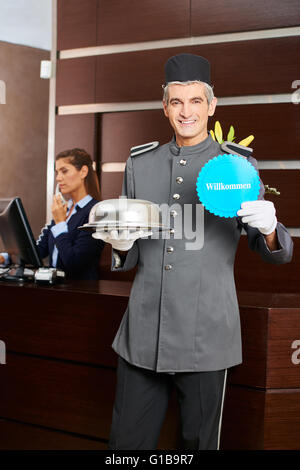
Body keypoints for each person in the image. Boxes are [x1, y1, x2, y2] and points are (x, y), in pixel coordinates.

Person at [96, 54, 293, 450]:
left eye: (196, 101)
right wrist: (119, 247)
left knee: (199, 445)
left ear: (212, 106)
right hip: (143, 332)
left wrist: (271, 229)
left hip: (208, 336)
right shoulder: (140, 164)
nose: (186, 111)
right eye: (177, 102)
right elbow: (128, 254)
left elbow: (275, 253)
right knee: (125, 447)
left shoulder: (236, 166)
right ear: (165, 107)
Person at [1, 148, 104, 280]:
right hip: (55, 289)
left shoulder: (96, 212)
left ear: (83, 171)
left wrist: (61, 222)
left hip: (80, 291)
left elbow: (74, 263)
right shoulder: (64, 210)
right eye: (57, 172)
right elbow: (39, 251)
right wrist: (7, 257)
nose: (58, 178)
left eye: (64, 171)